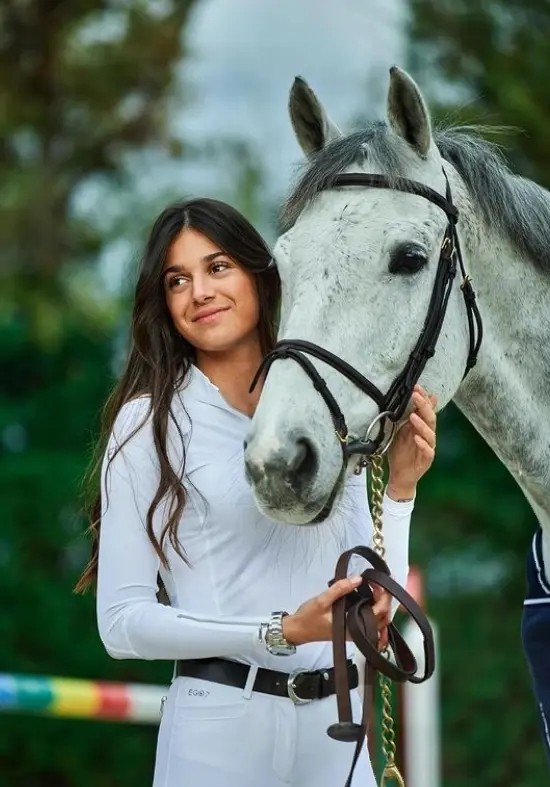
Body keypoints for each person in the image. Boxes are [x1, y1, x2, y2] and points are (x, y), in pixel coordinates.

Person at [76, 197, 438, 787]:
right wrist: (278, 631)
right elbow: (121, 624)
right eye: (178, 280)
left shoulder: (323, 413)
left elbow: (374, 605)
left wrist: (400, 491)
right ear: (163, 304)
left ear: (258, 274)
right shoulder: (149, 425)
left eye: (218, 268)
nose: (200, 292)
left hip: (336, 732)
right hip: (220, 729)